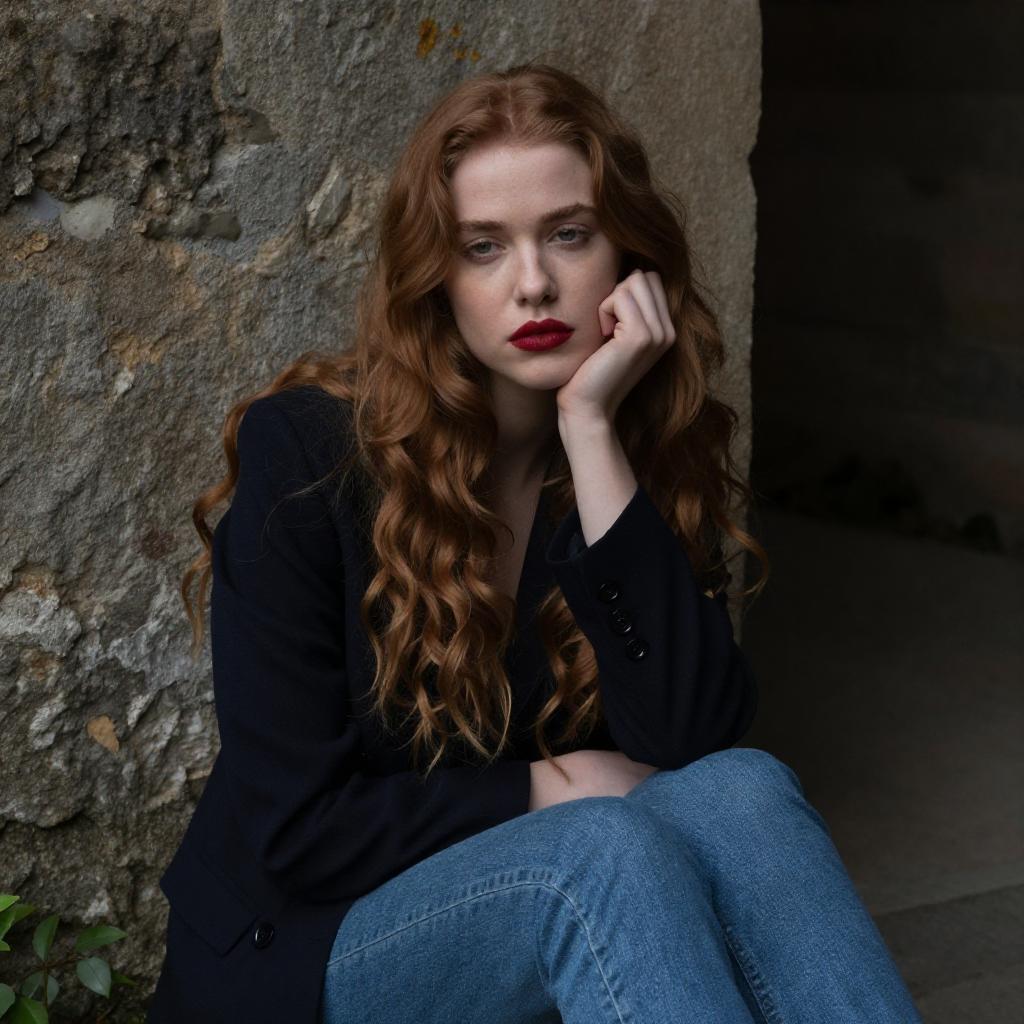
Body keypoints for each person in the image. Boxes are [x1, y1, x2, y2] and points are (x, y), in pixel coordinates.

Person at [147, 61, 924, 1023]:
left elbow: (690, 739)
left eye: (569, 234)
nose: (533, 283)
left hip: (526, 907)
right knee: (600, 850)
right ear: (435, 279)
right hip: (307, 954)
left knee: (746, 792)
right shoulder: (310, 456)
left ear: (626, 258)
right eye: (483, 246)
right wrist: (552, 785)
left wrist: (590, 429)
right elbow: (294, 830)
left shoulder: (630, 452)